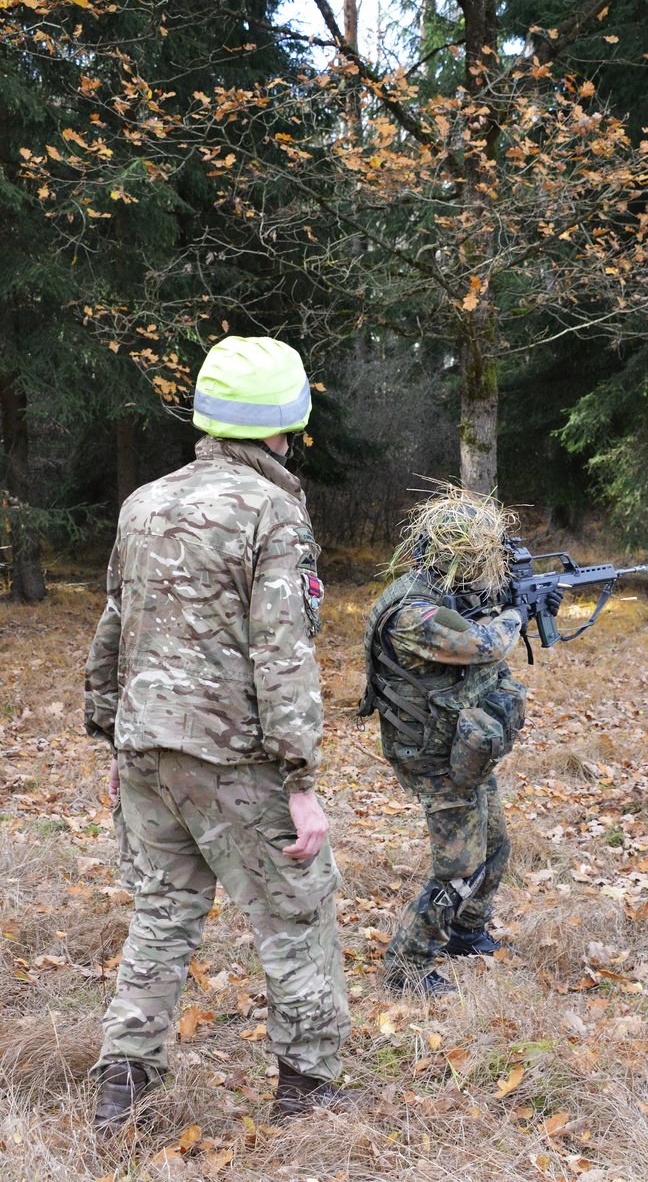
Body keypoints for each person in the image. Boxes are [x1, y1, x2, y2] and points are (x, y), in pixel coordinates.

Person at [84, 336, 350, 1136]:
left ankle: (120, 1094)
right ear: (287, 421)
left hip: (148, 753)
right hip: (234, 757)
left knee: (162, 913)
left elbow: (112, 630)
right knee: (299, 911)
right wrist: (300, 784)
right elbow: (281, 652)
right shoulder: (273, 512)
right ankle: (308, 1094)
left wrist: (114, 739)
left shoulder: (144, 502)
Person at [360, 486, 559, 993]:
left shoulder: (439, 589)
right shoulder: (412, 612)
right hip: (429, 751)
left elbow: (471, 613)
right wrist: (515, 612)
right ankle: (407, 967)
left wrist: (515, 600)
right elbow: (480, 642)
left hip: (458, 743)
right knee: (460, 866)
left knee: (495, 844)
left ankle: (467, 933)